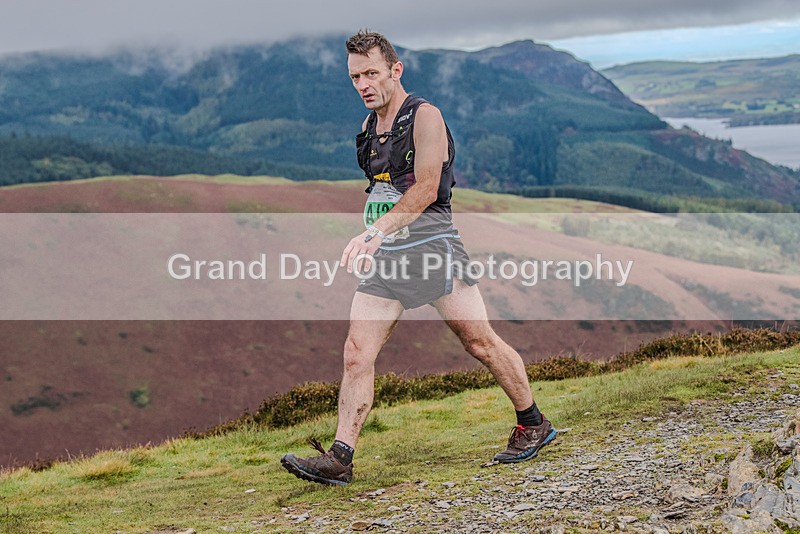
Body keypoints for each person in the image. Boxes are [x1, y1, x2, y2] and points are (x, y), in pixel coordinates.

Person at [280, 30, 557, 486]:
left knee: (479, 343)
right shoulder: (369, 130)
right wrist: (374, 231)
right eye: (354, 77)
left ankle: (533, 423)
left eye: (371, 73)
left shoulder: (425, 116)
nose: (363, 84)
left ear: (395, 70)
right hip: (388, 259)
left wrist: (376, 229)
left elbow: (427, 188)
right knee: (356, 353)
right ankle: (340, 457)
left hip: (433, 250)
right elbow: (382, 190)